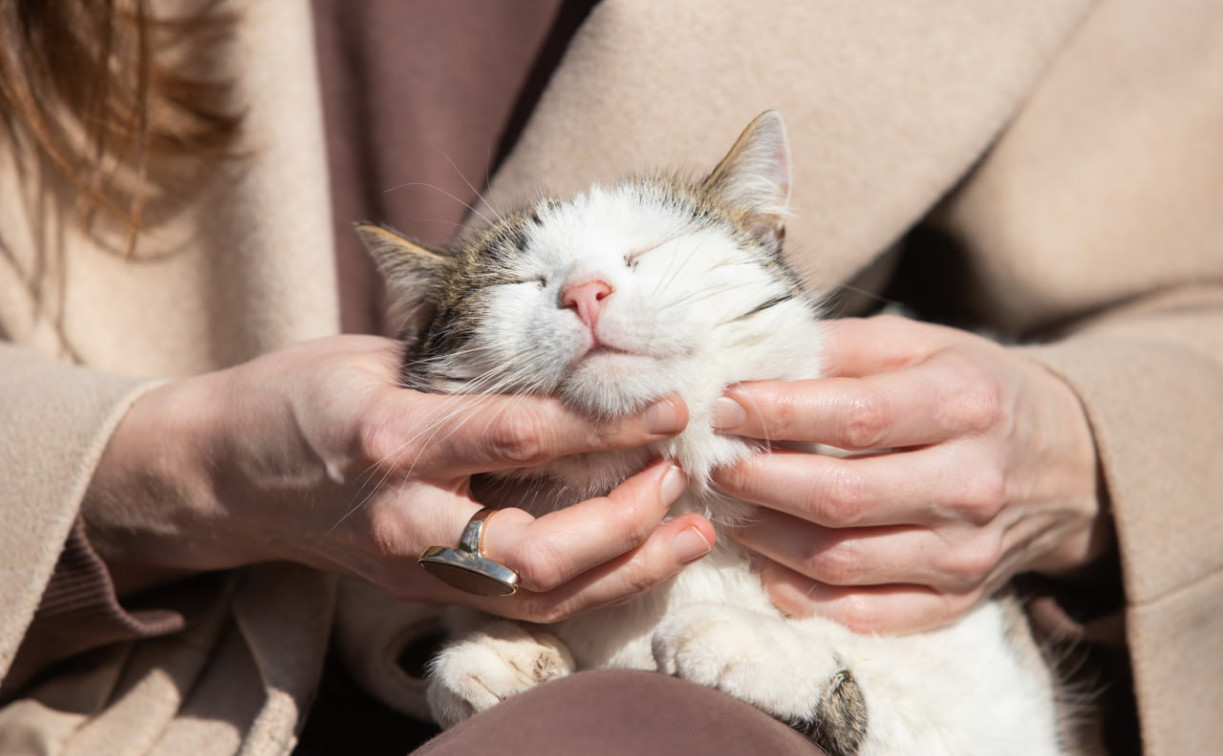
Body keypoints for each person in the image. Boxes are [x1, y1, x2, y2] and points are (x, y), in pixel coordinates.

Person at [1, 2, 1218, 755]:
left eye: (635, 265)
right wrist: (173, 467)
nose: (586, 295)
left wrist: (1076, 442)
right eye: (527, 285)